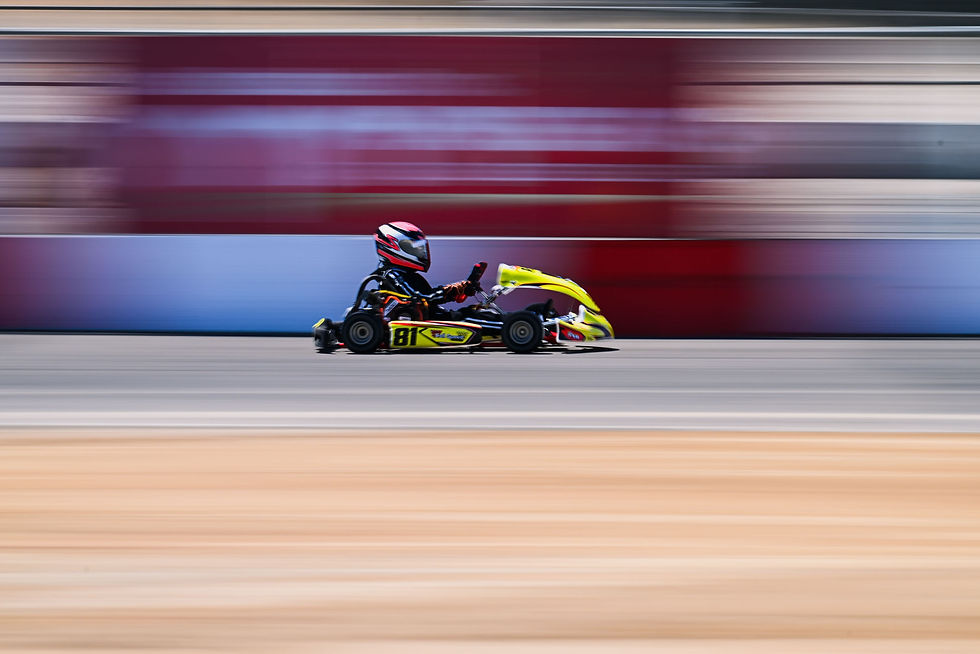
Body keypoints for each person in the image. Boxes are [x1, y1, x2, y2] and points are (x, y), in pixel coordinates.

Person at [369, 221, 477, 320]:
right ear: (392, 246)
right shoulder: (392, 275)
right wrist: (452, 291)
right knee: (472, 317)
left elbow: (429, 299)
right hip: (423, 320)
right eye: (412, 246)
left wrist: (462, 290)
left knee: (476, 312)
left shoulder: (408, 274)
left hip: (435, 316)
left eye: (420, 247)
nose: (420, 250)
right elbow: (421, 299)